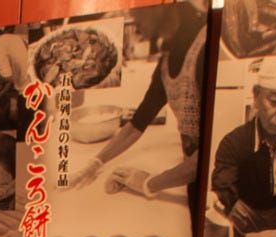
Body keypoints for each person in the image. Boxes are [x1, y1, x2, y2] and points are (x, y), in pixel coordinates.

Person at [68, 2, 207, 202]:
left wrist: (149, 183)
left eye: (136, 5)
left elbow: (208, 155)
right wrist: (96, 162)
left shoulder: (203, 45)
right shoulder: (168, 59)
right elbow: (137, 123)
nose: (132, 15)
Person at [210, 56, 276, 236]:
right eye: (274, 101)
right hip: (247, 212)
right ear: (256, 96)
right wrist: (214, 198)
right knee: (221, 215)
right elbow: (224, 189)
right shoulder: (234, 142)